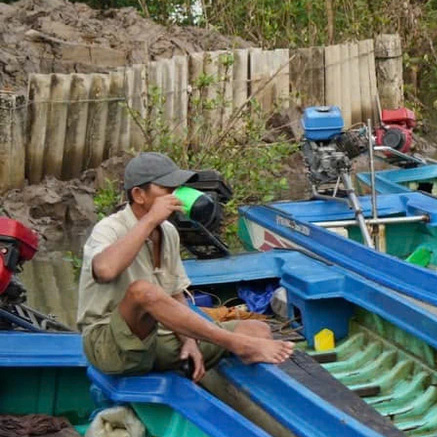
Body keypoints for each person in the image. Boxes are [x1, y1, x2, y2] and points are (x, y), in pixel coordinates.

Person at [80, 153, 294, 378]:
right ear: (139, 195)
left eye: (177, 188)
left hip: (157, 339)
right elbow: (105, 270)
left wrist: (190, 341)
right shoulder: (110, 228)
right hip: (110, 345)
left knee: (257, 330)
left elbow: (175, 295)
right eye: (167, 189)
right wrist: (150, 219)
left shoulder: (168, 232)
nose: (175, 195)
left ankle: (238, 355)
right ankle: (236, 344)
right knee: (141, 292)